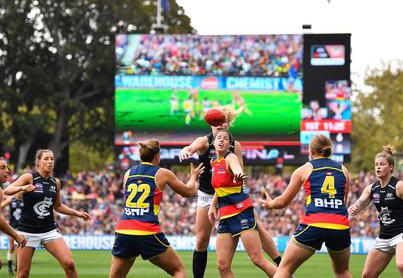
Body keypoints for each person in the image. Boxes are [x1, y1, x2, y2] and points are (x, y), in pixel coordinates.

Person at [178, 105, 282, 278]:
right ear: (211, 123)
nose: (219, 125)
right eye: (216, 121)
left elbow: (237, 169)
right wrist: (186, 150)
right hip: (208, 195)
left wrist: (238, 177)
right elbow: (191, 147)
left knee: (260, 231)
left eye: (222, 121)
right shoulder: (204, 141)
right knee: (201, 241)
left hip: (232, 196)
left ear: (227, 123)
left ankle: (282, 266)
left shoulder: (234, 145)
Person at [109, 139, 203, 278]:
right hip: (146, 231)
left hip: (124, 230)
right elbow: (189, 192)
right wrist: (194, 176)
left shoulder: (128, 173)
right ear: (157, 156)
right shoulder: (162, 173)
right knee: (178, 270)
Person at [261, 134, 352, 278]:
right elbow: (343, 202)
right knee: (342, 272)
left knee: (284, 269)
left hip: (314, 223)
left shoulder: (304, 169)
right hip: (339, 226)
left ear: (311, 150)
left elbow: (282, 202)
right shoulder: (344, 171)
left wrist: (270, 204)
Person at [348, 145, 403, 278]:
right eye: (376, 165)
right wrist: (354, 207)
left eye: (382, 164)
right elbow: (361, 202)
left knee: (402, 265)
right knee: (367, 275)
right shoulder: (371, 188)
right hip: (384, 236)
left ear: (391, 167)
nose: (378, 167)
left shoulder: (399, 186)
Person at [4, 149, 90, 278]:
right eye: (46, 159)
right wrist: (22, 187)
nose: (50, 162)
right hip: (27, 231)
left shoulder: (55, 182)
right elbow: (7, 190)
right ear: (38, 162)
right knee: (22, 274)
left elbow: (58, 206)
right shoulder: (29, 177)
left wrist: (77, 213)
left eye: (52, 159)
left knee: (69, 264)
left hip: (49, 230)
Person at [208, 130, 277, 278]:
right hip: (225, 216)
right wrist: (213, 205)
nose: (221, 140)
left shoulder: (230, 157)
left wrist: (238, 173)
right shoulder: (213, 161)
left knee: (257, 260)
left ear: (229, 144)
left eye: (225, 139)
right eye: (218, 138)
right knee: (222, 266)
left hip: (241, 211)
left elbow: (237, 167)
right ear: (213, 142)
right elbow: (220, 187)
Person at [0, 191, 24, 274]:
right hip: (12, 227)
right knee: (11, 247)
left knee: (19, 247)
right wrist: (3, 219)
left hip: (21, 228)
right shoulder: (11, 200)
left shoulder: (25, 201)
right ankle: (10, 266)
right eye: (18, 192)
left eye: (21, 192)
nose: (20, 193)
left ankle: (17, 265)